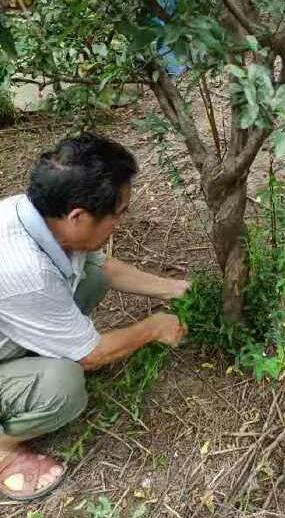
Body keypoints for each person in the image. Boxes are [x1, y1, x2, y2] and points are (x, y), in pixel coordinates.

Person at [0, 132, 189, 501]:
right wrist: (154, 328)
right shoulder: (25, 272)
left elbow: (103, 266)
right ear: (77, 216)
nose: (119, 224)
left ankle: (32, 364)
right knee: (63, 383)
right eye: (117, 215)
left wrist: (175, 289)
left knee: (92, 274)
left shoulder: (34, 215)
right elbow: (91, 356)